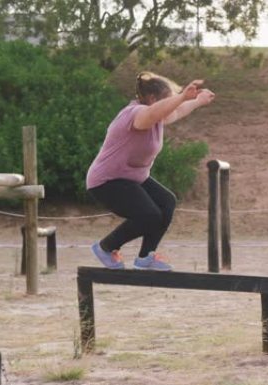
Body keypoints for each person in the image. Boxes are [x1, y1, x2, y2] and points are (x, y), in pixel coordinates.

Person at [86, 71, 215, 270]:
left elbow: (177, 111)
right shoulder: (135, 114)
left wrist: (198, 101)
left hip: (132, 178)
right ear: (153, 99)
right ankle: (106, 247)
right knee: (149, 215)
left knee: (167, 202)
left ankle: (146, 257)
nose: (173, 104)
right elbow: (153, 113)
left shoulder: (158, 117)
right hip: (106, 181)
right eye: (168, 99)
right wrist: (181, 96)